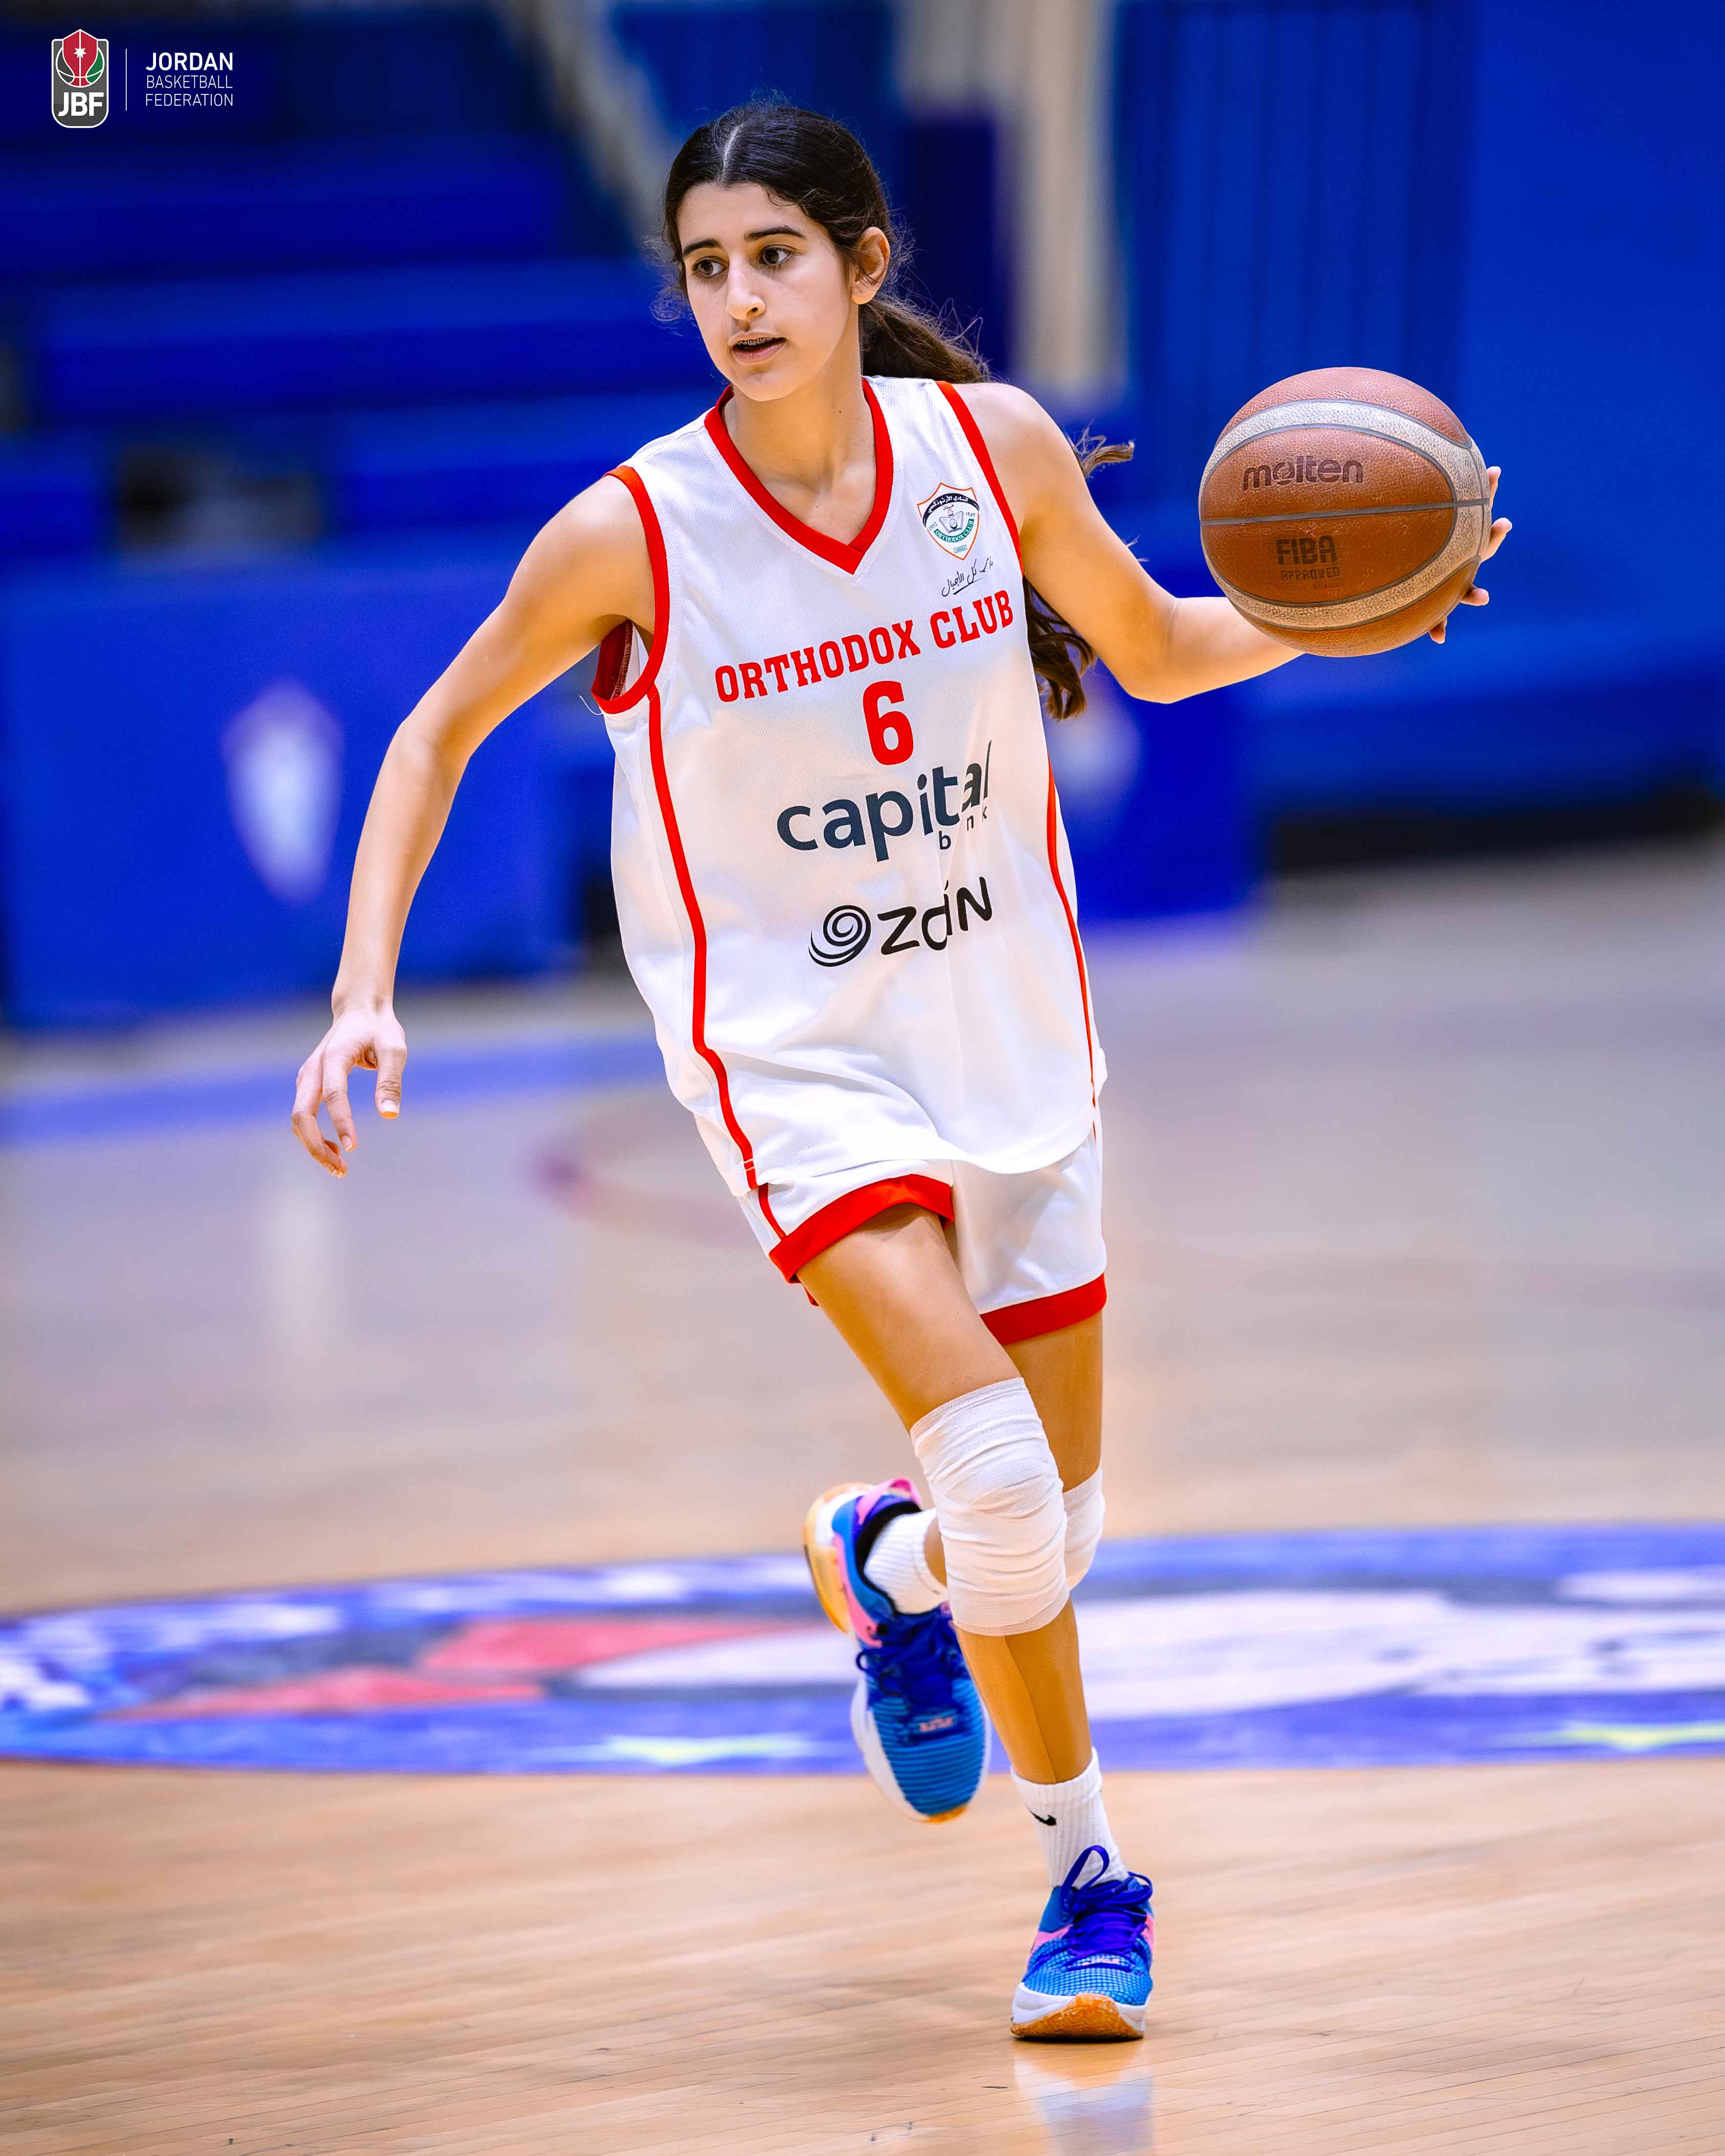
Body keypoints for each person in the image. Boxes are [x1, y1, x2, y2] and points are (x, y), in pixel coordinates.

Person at [290, 101, 1509, 2040]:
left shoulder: (994, 450)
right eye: (706, 267)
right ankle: (1090, 1879)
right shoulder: (633, 532)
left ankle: (884, 1563)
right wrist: (365, 986)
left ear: (862, 267)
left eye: (775, 256)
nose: (739, 299)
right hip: (795, 1056)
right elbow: (434, 732)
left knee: (1047, 1531)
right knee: (1008, 1480)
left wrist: (1339, 609)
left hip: (1008, 1029)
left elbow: (1154, 647)